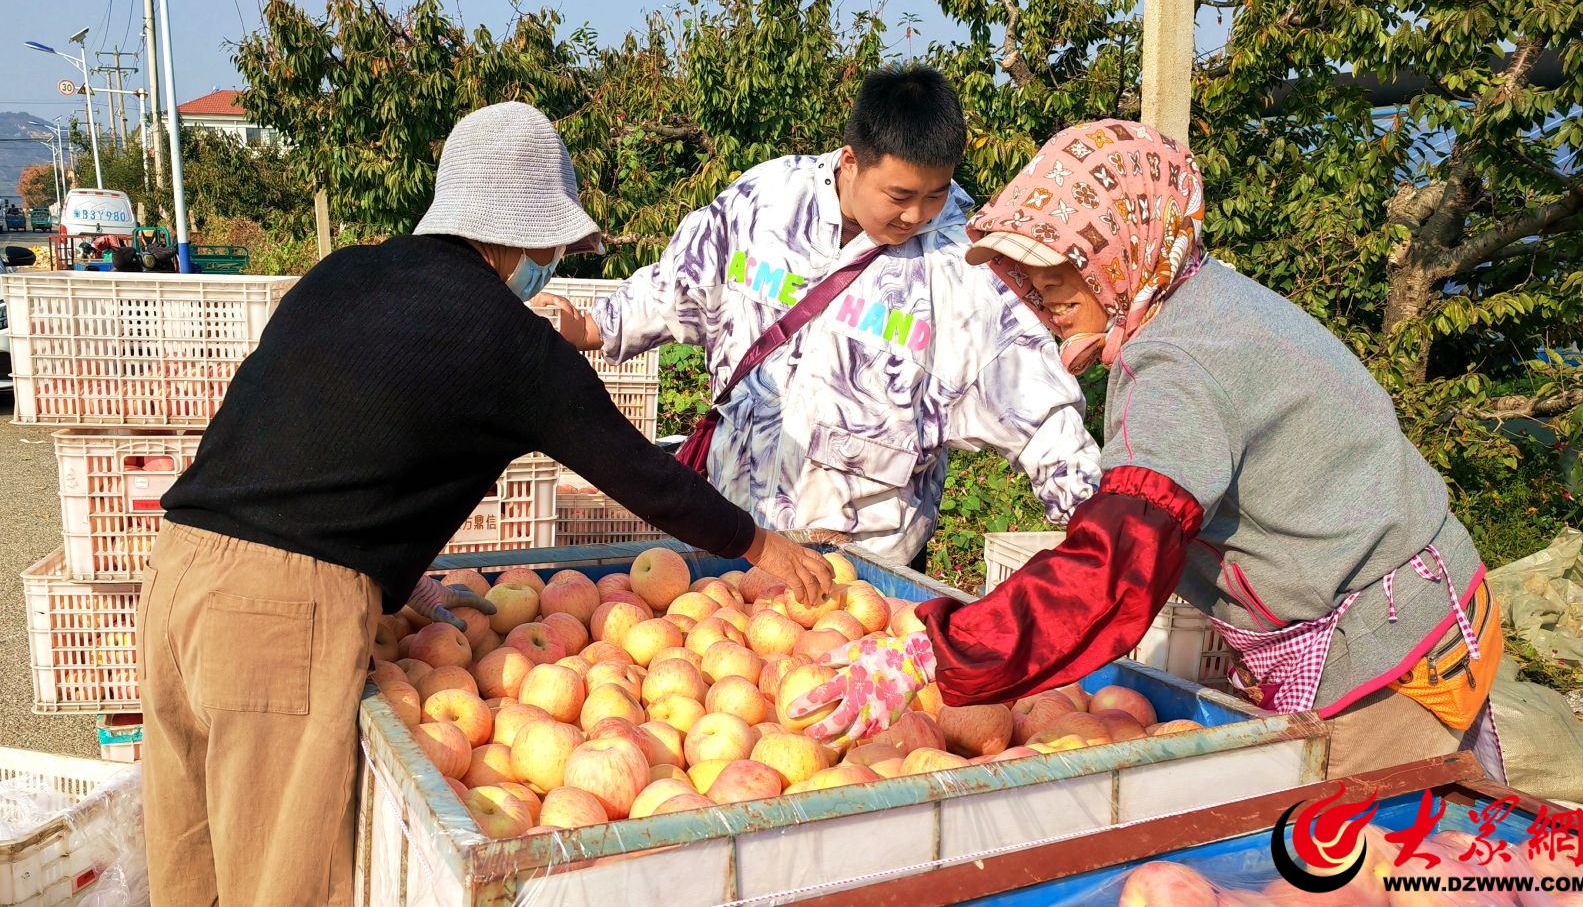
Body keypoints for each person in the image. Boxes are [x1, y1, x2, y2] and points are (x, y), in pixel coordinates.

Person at [137, 101, 832, 907]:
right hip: (281, 617)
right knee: (277, 884)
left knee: (191, 872)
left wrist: (405, 579)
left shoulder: (344, 273)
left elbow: (333, 444)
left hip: (181, 572)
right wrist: (760, 544)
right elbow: (643, 475)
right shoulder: (510, 340)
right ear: (532, 234)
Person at [790, 119, 1504, 782]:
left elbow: (1114, 570)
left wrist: (938, 653)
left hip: (1387, 650)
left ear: (1114, 251)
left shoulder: (1173, 367)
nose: (1040, 299)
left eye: (1060, 272)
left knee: (1358, 857)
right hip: (1428, 601)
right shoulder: (1202, 295)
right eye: (1030, 279)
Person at [544, 65, 1101, 568]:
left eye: (934, 194)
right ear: (852, 160)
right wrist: (590, 327)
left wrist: (1100, 529)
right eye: (900, 194)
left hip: (861, 573)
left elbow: (1036, 402)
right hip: (738, 540)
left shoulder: (963, 263)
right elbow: (682, 284)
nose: (916, 215)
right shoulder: (766, 203)